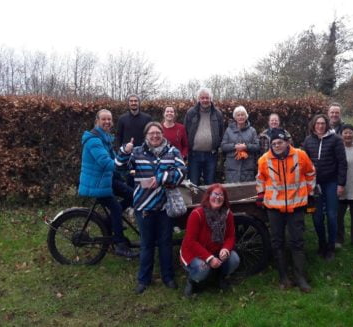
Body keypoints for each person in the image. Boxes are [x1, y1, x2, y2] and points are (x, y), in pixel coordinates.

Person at [116, 122, 187, 294]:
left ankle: (168, 277)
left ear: (162, 134)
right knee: (147, 244)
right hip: (144, 206)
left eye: (158, 133)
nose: (155, 136)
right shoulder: (137, 152)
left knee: (165, 243)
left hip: (165, 207)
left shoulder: (172, 152)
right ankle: (143, 279)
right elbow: (119, 167)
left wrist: (163, 177)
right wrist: (125, 151)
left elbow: (182, 171)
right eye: (151, 133)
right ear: (146, 135)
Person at [256, 128, 316, 293]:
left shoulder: (300, 155)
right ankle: (283, 277)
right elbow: (260, 179)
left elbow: (310, 173)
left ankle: (300, 277)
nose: (277, 146)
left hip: (296, 206)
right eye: (274, 143)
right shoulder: (264, 160)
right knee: (278, 242)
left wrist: (309, 193)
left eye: (280, 143)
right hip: (274, 208)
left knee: (297, 241)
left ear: (287, 142)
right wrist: (261, 196)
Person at [78, 109, 137, 258]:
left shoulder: (104, 138)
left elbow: (115, 159)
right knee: (116, 208)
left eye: (109, 119)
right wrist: (122, 161)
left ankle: (108, 222)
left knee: (133, 195)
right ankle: (120, 245)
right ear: (97, 121)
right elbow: (106, 163)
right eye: (104, 119)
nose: (107, 122)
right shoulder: (93, 140)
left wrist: (129, 168)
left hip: (106, 180)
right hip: (96, 183)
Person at [180, 184, 240, 297]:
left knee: (234, 259)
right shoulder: (197, 214)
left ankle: (219, 278)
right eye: (215, 194)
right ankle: (193, 281)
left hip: (216, 250)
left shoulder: (228, 214)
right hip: (194, 253)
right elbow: (190, 241)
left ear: (225, 198)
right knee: (202, 268)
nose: (218, 197)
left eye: (221, 195)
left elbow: (230, 237)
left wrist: (226, 249)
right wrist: (209, 258)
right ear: (208, 196)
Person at [302, 114, 347, 260]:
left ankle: (331, 247)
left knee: (332, 216)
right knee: (317, 217)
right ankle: (322, 244)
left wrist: (341, 184)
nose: (320, 126)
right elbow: (303, 162)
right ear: (313, 125)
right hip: (315, 184)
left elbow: (342, 162)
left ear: (326, 125)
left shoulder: (336, 140)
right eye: (318, 123)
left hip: (331, 182)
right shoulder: (308, 141)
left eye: (323, 123)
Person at [184, 87, 224, 186]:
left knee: (210, 183)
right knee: (193, 183)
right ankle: (194, 202)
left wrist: (217, 147)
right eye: (202, 98)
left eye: (207, 98)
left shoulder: (217, 113)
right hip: (194, 154)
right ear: (199, 99)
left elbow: (221, 132)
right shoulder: (191, 112)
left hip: (211, 155)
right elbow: (185, 131)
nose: (205, 100)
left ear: (211, 99)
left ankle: (209, 202)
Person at [221, 106, 259, 183]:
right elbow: (223, 146)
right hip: (232, 168)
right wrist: (235, 146)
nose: (240, 117)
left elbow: (257, 146)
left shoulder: (252, 131)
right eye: (238, 115)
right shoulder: (229, 130)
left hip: (247, 168)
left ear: (246, 116)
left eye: (242, 115)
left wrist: (246, 147)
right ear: (235, 117)